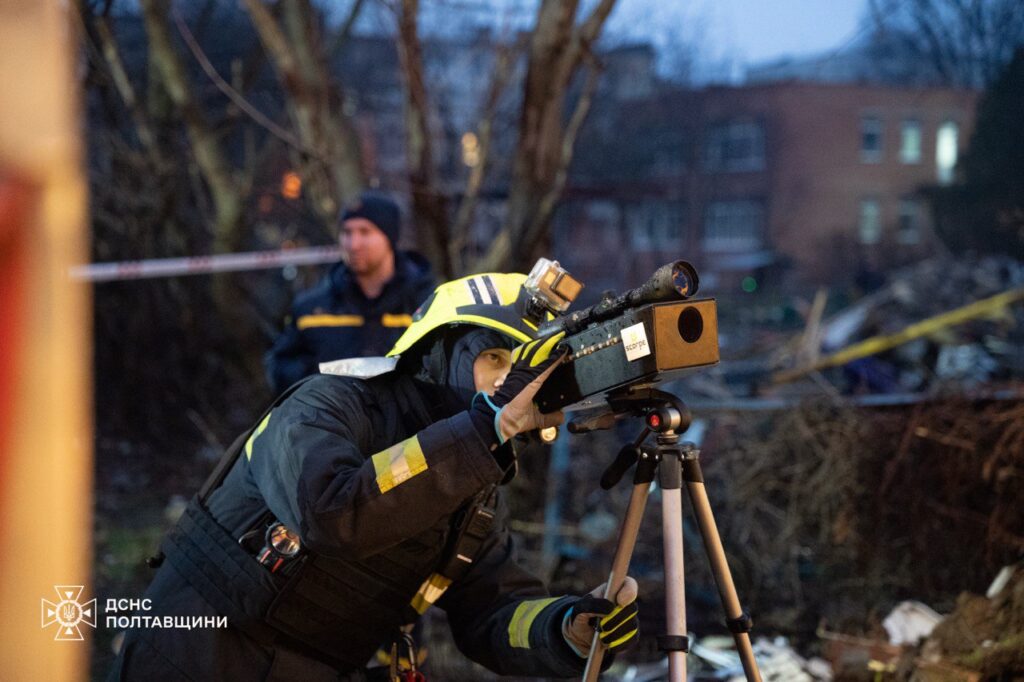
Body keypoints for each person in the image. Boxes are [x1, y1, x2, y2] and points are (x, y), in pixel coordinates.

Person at [109, 270, 640, 681]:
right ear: (437, 353)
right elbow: (332, 511)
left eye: (523, 368)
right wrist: (485, 430)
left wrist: (567, 628)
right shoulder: (329, 405)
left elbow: (490, 612)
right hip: (200, 655)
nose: (509, 383)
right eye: (495, 359)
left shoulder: (474, 490)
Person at [265, 192, 435, 394]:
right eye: (347, 232)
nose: (353, 244)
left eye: (365, 232)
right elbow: (279, 368)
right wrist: (319, 380)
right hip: (331, 422)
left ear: (389, 237)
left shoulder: (428, 306)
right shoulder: (310, 308)